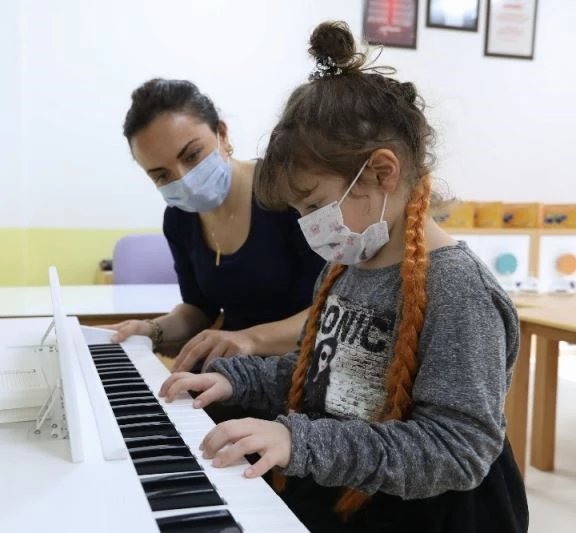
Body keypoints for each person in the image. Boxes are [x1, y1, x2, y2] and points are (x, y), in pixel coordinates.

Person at [159, 21, 528, 533]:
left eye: (313, 204)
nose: (307, 225)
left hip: (429, 517)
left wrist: (297, 440)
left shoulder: (459, 291)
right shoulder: (346, 267)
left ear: (382, 173)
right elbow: (319, 375)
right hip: (350, 496)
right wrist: (234, 380)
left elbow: (457, 448)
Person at [107, 78, 325, 374]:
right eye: (161, 175)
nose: (183, 179)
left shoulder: (288, 194)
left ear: (222, 133)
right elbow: (199, 310)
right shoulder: (179, 218)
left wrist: (249, 339)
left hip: (300, 367)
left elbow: (332, 311)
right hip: (230, 370)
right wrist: (151, 329)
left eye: (192, 155)